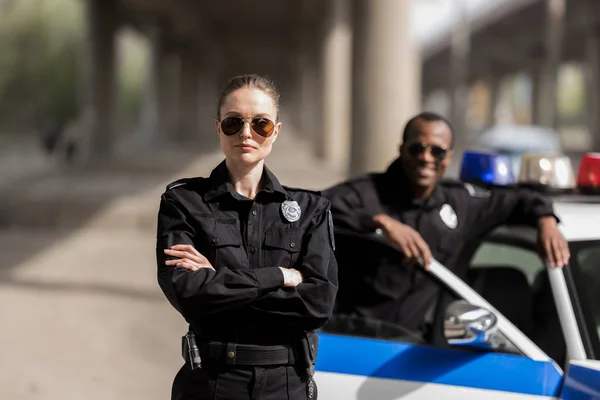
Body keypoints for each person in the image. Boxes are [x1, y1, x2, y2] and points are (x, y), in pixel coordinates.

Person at [156, 74, 338, 400]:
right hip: (211, 383)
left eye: (261, 124)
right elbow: (187, 292)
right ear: (218, 127)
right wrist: (278, 276)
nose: (246, 133)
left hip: (286, 385)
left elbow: (317, 305)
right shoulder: (183, 203)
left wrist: (218, 282)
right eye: (233, 122)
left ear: (276, 131)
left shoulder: (311, 210)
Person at [322, 111, 569, 338]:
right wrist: (378, 222)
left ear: (449, 157)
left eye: (437, 152)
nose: (426, 158)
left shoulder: (460, 203)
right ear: (401, 150)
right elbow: (313, 209)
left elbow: (520, 197)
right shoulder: (365, 194)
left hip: (410, 347)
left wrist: (545, 219)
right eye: (417, 148)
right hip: (349, 339)